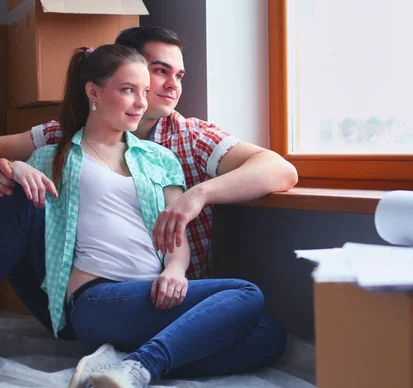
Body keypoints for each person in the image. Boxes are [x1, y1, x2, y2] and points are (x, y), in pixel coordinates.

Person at [11, 43, 286, 388]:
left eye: (143, 91)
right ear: (93, 92)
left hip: (152, 295)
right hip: (96, 300)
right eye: (128, 90)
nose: (141, 102)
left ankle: (126, 357)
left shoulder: (160, 159)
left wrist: (174, 269)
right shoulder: (54, 157)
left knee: (268, 334)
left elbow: (176, 237)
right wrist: (15, 168)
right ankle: (143, 365)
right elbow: (18, 206)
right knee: (247, 293)